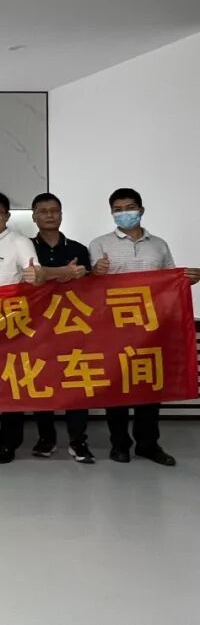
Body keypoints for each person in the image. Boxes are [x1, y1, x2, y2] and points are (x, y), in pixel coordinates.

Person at [89, 187, 200, 467]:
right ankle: (119, 445)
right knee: (116, 386)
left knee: (149, 385)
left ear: (141, 210)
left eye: (129, 207)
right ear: (111, 213)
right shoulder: (99, 244)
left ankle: (148, 444)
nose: (124, 213)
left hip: (151, 327)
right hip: (114, 327)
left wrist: (187, 279)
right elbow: (90, 288)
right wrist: (96, 272)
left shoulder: (159, 245)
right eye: (117, 209)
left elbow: (170, 280)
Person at [26, 192, 94, 463]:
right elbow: (31, 277)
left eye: (54, 210)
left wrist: (76, 274)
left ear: (62, 214)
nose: (50, 215)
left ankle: (78, 441)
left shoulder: (78, 249)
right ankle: (46, 438)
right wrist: (64, 273)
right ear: (34, 217)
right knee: (41, 381)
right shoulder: (27, 247)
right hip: (37, 326)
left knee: (77, 382)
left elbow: (91, 285)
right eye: (43, 211)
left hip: (72, 325)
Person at [0, 191, 42, 464]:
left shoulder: (20, 242)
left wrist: (34, 276)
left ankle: (9, 441)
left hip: (10, 323)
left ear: (7, 216)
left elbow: (34, 276)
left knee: (10, 381)